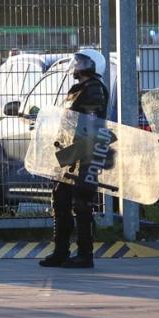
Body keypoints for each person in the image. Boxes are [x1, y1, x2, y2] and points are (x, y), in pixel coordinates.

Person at [39, 49, 109, 269]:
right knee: (59, 200)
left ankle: (85, 254)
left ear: (92, 65)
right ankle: (60, 251)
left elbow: (88, 122)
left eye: (81, 62)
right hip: (72, 151)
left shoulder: (95, 89)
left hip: (86, 152)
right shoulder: (78, 89)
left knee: (82, 203)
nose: (76, 65)